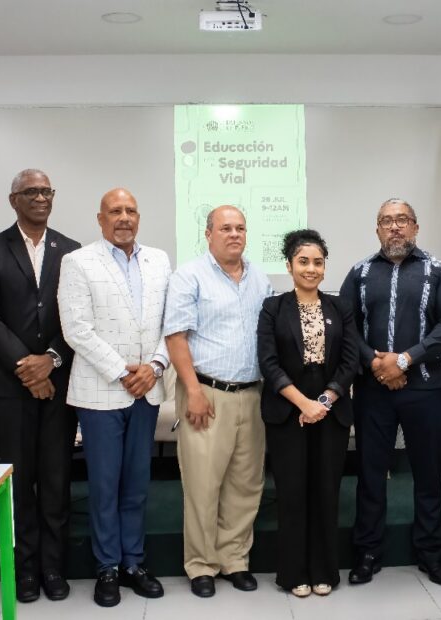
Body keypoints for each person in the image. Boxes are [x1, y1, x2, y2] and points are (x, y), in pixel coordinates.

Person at [339, 198, 441, 587]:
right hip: (374, 389)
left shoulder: (439, 271)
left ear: (415, 227)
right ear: (377, 229)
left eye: (402, 220)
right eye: (387, 221)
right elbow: (346, 327)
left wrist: (405, 360)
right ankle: (368, 552)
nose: (395, 227)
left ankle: (430, 553)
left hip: (425, 388)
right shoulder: (359, 273)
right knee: (372, 474)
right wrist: (377, 363)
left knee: (428, 474)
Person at [0, 169, 80, 603]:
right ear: (13, 199)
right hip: (10, 386)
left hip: (58, 382)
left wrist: (49, 362)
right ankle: (24, 569)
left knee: (56, 479)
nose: (40, 197)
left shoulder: (70, 251)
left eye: (46, 191)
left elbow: (76, 317)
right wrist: (27, 366)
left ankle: (53, 568)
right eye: (31, 191)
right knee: (18, 481)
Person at [57, 188, 169, 607]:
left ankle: (133, 563)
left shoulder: (158, 259)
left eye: (130, 210)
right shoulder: (78, 261)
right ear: (100, 219)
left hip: (147, 388)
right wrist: (124, 371)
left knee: (136, 485)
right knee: (105, 485)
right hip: (101, 390)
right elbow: (76, 329)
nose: (124, 217)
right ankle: (106, 566)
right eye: (115, 211)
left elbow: (169, 322)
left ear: (139, 217)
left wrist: (155, 366)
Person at [163, 205, 273, 598]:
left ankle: (235, 560)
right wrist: (192, 390)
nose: (234, 234)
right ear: (208, 234)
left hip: (251, 394)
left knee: (245, 484)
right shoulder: (189, 276)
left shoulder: (260, 278)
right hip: (205, 393)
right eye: (225, 228)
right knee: (203, 484)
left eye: (240, 228)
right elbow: (175, 337)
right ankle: (201, 565)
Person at [257, 229, 360, 598]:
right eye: (303, 261)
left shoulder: (340, 308)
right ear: (289, 265)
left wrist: (325, 402)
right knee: (292, 493)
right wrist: (303, 404)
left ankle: (324, 572)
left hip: (330, 412)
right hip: (288, 412)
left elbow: (350, 361)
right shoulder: (273, 308)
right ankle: (293, 573)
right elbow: (268, 363)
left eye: (318, 262)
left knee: (325, 492)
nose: (311, 269)